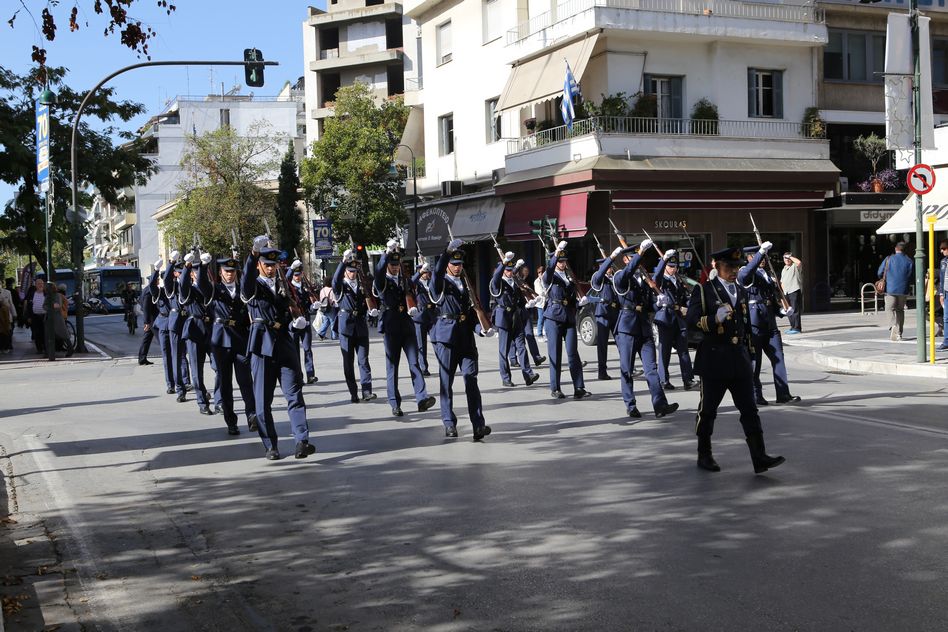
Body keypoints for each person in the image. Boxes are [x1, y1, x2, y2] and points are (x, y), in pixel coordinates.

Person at [686, 246, 785, 474]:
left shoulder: (739, 289)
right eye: (728, 267)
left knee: (749, 409)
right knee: (708, 411)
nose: (733, 271)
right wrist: (713, 319)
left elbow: (746, 326)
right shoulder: (704, 290)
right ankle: (704, 454)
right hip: (714, 360)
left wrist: (749, 354)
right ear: (716, 266)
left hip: (738, 360)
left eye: (736, 267)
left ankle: (759, 456)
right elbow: (691, 321)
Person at [241, 235, 316, 460]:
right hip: (262, 344)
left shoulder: (283, 285)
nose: (271, 269)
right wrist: (253, 253)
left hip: (284, 342)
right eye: (267, 265)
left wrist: (298, 320)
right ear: (259, 266)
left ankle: (302, 440)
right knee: (263, 401)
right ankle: (270, 445)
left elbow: (292, 306)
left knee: (294, 394)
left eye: (274, 265)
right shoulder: (252, 287)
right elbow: (245, 280)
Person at [601, 241, 678, 419]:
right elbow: (628, 272)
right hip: (627, 327)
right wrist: (642, 251)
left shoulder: (643, 279)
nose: (640, 261)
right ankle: (630, 405)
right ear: (627, 259)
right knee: (626, 369)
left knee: (651, 369)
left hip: (644, 328)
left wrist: (658, 303)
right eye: (636, 257)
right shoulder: (620, 276)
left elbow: (649, 300)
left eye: (641, 257)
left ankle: (660, 405)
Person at [429, 239, 492, 440]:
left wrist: (481, 330)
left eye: (460, 264)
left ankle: (478, 425)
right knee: (446, 383)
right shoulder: (439, 283)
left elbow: (472, 314)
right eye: (454, 264)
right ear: (448, 263)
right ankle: (449, 422)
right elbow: (437, 272)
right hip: (446, 338)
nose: (457, 267)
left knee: (471, 381)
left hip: (466, 339)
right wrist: (447, 251)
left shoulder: (466, 283)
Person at [373, 241, 436, 417]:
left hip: (407, 326)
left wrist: (421, 271)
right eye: (391, 265)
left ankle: (422, 398)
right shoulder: (382, 281)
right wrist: (386, 253)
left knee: (414, 363)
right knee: (392, 367)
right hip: (392, 326)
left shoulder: (404, 279)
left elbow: (413, 283)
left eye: (396, 265)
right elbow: (378, 271)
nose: (394, 268)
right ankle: (395, 403)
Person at [198, 255, 258, 435]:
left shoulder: (242, 290)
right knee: (225, 384)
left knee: (245, 381)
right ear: (220, 272)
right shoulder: (214, 290)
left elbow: (250, 278)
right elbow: (201, 283)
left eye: (233, 271)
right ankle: (231, 421)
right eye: (227, 271)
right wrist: (203, 265)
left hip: (240, 339)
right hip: (221, 341)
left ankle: (252, 415)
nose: (230, 274)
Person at [739, 244, 801, 406]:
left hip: (769, 322)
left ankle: (783, 394)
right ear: (750, 258)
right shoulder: (745, 272)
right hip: (754, 323)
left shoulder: (767, 274)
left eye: (765, 257)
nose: (764, 260)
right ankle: (755, 394)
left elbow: (771, 298)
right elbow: (746, 275)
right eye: (760, 257)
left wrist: (781, 311)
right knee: (755, 362)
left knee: (778, 358)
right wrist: (761, 252)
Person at [542, 241, 589, 399]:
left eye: (564, 261)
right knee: (555, 354)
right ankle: (555, 388)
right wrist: (556, 253)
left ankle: (579, 387)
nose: (562, 263)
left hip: (568, 316)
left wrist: (579, 302)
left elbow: (570, 298)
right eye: (560, 261)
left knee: (572, 353)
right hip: (553, 317)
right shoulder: (549, 277)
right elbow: (549, 269)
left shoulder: (568, 276)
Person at [490, 251, 539, 388]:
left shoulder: (514, 282)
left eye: (511, 270)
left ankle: (528, 374)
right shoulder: (497, 283)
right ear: (503, 270)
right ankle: (506, 377)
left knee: (521, 347)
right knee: (504, 350)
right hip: (503, 318)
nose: (510, 272)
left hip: (516, 318)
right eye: (507, 270)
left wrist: (528, 304)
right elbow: (496, 276)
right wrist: (504, 262)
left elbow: (519, 299)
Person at [333, 250, 377, 403]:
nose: (352, 274)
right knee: (348, 362)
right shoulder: (340, 286)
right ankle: (353, 392)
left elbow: (368, 301)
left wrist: (372, 311)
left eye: (354, 271)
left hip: (360, 326)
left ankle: (367, 391)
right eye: (349, 271)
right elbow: (335, 281)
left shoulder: (363, 285)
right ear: (346, 271)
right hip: (346, 327)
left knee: (363, 360)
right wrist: (343, 261)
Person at [653, 252, 697, 391]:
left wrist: (691, 306)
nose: (674, 269)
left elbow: (685, 298)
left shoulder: (678, 280)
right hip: (666, 318)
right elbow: (656, 277)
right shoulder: (661, 280)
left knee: (683, 351)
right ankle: (663, 380)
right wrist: (664, 259)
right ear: (665, 266)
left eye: (675, 266)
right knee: (664, 351)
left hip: (679, 318)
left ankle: (688, 380)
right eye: (671, 266)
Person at [180, 251, 216, 415]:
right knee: (196, 372)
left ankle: (220, 399)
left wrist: (204, 265)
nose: (198, 274)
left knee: (219, 367)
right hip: (194, 330)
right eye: (195, 272)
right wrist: (187, 267)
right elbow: (183, 283)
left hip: (211, 330)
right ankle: (202, 402)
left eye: (199, 271)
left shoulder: (210, 288)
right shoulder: (188, 290)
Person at [162, 253, 192, 402]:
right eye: (179, 273)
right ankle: (180, 389)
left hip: (190, 322)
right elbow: (166, 278)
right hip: (176, 323)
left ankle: (196, 386)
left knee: (194, 357)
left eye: (183, 272)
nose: (181, 275)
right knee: (177, 357)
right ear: (175, 273)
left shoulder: (191, 286)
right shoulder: (172, 287)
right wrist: (171, 262)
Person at [287, 260, 319, 385]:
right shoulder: (289, 287)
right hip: (294, 322)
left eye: (299, 274)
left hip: (305, 321)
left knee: (307, 349)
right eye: (296, 275)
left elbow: (308, 307)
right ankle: (298, 376)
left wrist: (314, 307)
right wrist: (291, 268)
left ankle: (310, 375)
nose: (298, 277)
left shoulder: (305, 288)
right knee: (294, 351)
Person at [590, 254, 619, 381]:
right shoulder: (598, 278)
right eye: (607, 267)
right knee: (602, 345)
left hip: (615, 313)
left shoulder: (614, 278)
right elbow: (600, 274)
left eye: (610, 267)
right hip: (603, 313)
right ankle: (602, 372)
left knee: (622, 342)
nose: (610, 269)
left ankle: (628, 367)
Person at [877, 241, 914, 341]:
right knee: (900, 310)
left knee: (889, 308)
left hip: (890, 289)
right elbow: (911, 276)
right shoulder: (909, 261)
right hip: (903, 290)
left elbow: (879, 272)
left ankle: (893, 325)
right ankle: (899, 334)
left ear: (895, 249)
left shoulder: (889, 259)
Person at [411, 261, 435, 376]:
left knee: (437, 341)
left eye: (427, 271)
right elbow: (412, 282)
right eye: (425, 271)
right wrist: (420, 273)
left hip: (432, 315)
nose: (427, 273)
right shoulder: (415, 283)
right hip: (420, 316)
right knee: (421, 344)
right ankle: (423, 367)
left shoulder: (431, 281)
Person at [44, 281, 73, 358]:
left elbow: (58, 306)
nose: (46, 289)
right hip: (49, 318)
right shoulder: (48, 296)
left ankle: (70, 349)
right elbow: (44, 306)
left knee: (64, 334)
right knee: (48, 336)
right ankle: (48, 352)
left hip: (57, 318)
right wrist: (51, 307)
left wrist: (50, 307)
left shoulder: (57, 295)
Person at [780, 252, 803, 334]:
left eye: (788, 258)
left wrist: (790, 256)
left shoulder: (795, 266)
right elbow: (782, 282)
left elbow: (799, 262)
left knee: (795, 310)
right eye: (785, 258)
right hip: (786, 292)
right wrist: (783, 293)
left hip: (794, 290)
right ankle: (792, 327)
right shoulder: (784, 269)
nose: (787, 259)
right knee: (789, 311)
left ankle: (797, 328)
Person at [25, 277, 47, 354]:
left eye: (42, 283)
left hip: (45, 316)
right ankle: (39, 349)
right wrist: (28, 317)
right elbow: (28, 306)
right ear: (35, 285)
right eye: (38, 284)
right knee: (37, 333)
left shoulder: (46, 293)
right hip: (35, 316)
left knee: (45, 332)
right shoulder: (32, 294)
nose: (40, 285)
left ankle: (45, 347)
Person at [138, 279, 156, 365]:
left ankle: (142, 358)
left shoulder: (146, 289)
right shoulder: (149, 291)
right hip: (152, 318)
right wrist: (147, 322)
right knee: (162, 338)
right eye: (157, 280)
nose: (158, 281)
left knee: (147, 339)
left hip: (150, 318)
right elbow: (146, 307)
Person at [0, 280, 14, 353]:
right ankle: (1, 347)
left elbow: (11, 303)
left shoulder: (7, 292)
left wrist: (14, 313)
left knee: (7, 331)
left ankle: (6, 347)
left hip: (6, 315)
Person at [533, 265, 547, 338]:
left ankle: (547, 334)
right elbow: (540, 292)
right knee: (541, 318)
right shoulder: (537, 281)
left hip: (547, 302)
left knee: (547, 319)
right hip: (541, 303)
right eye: (539, 272)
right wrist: (546, 291)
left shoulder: (546, 280)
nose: (540, 274)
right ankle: (539, 334)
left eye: (542, 272)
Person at [939, 241, 948, 351]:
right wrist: (941, 293)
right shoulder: (943, 262)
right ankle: (946, 341)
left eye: (944, 248)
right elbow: (942, 279)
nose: (942, 251)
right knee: (946, 318)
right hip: (946, 292)